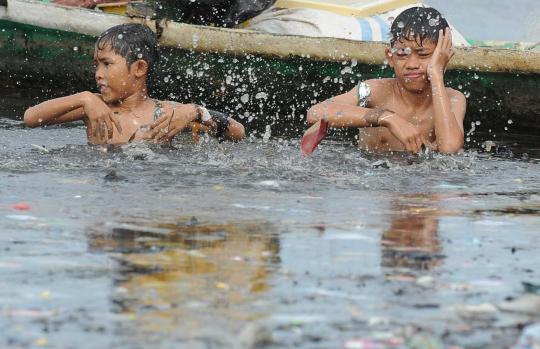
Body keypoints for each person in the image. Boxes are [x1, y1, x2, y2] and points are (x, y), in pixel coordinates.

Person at [24, 23, 245, 145]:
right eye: (96, 65)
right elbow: (31, 118)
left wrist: (197, 112)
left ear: (139, 68)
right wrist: (84, 97)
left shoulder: (167, 113)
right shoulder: (94, 108)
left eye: (107, 64)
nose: (98, 74)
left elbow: (238, 132)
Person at [305, 7, 466, 154]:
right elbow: (315, 113)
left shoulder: (453, 98)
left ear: (443, 57)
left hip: (423, 182)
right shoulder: (373, 91)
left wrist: (436, 74)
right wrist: (386, 118)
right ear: (390, 57)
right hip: (372, 177)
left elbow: (449, 149)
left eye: (423, 55)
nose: (411, 65)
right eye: (402, 54)